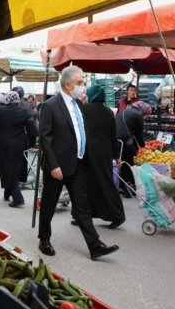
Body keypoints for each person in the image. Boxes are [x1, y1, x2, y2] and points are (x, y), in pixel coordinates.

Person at [38, 65, 119, 260]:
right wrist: (54, 165)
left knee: (82, 206)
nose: (83, 86)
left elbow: (80, 133)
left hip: (78, 164)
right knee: (49, 204)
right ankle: (44, 239)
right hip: (57, 167)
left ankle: (94, 245)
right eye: (80, 83)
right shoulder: (51, 105)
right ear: (67, 85)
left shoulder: (79, 105)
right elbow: (45, 138)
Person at [72, 85, 125, 227]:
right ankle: (116, 215)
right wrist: (117, 156)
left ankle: (81, 216)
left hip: (87, 152)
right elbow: (113, 136)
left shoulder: (84, 109)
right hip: (104, 153)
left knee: (83, 184)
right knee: (105, 182)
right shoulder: (108, 112)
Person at [0, 91, 38, 207]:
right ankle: (8, 192)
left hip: (4, 144)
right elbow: (32, 129)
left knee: (7, 169)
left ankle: (18, 198)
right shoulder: (24, 111)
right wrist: (31, 144)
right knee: (16, 169)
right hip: (20, 144)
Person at [116, 100, 151, 197]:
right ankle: (129, 190)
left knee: (122, 163)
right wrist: (143, 145)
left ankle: (121, 187)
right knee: (129, 164)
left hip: (115, 140)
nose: (145, 116)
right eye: (146, 114)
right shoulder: (138, 115)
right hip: (125, 140)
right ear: (143, 110)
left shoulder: (124, 111)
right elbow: (138, 134)